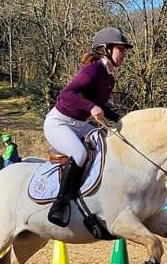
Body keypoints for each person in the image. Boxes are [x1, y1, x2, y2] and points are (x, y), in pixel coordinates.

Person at [44, 27, 132, 226]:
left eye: (124, 50)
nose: (124, 54)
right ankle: (60, 204)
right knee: (80, 154)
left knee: (107, 146)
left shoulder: (109, 78)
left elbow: (102, 105)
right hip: (59, 123)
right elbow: (67, 94)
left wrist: (122, 120)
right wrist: (90, 106)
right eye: (121, 49)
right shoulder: (93, 70)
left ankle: (96, 200)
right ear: (105, 49)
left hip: (79, 125)